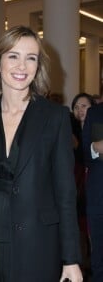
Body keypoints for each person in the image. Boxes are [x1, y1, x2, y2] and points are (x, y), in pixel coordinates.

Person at [0, 25, 83, 282]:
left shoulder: (55, 117)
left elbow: (65, 193)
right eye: (13, 56)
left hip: (36, 243)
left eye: (31, 58)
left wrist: (70, 259)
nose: (22, 66)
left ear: (38, 66)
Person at [71, 92, 95, 277]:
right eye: (77, 107)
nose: (80, 110)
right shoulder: (70, 130)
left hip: (91, 183)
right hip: (75, 183)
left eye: (84, 106)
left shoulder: (96, 128)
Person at [82, 101, 103, 282]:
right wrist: (95, 148)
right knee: (99, 257)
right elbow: (83, 154)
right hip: (99, 196)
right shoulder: (95, 113)